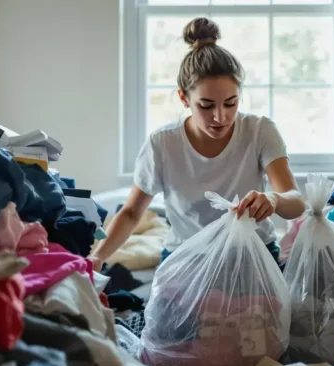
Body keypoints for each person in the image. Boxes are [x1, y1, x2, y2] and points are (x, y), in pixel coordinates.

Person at [91, 17, 305, 272]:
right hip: (186, 257)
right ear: (184, 98)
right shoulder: (163, 144)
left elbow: (295, 203)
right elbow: (130, 214)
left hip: (252, 254)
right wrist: (97, 257)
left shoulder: (260, 131)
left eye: (230, 103)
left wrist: (273, 199)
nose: (220, 117)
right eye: (206, 105)